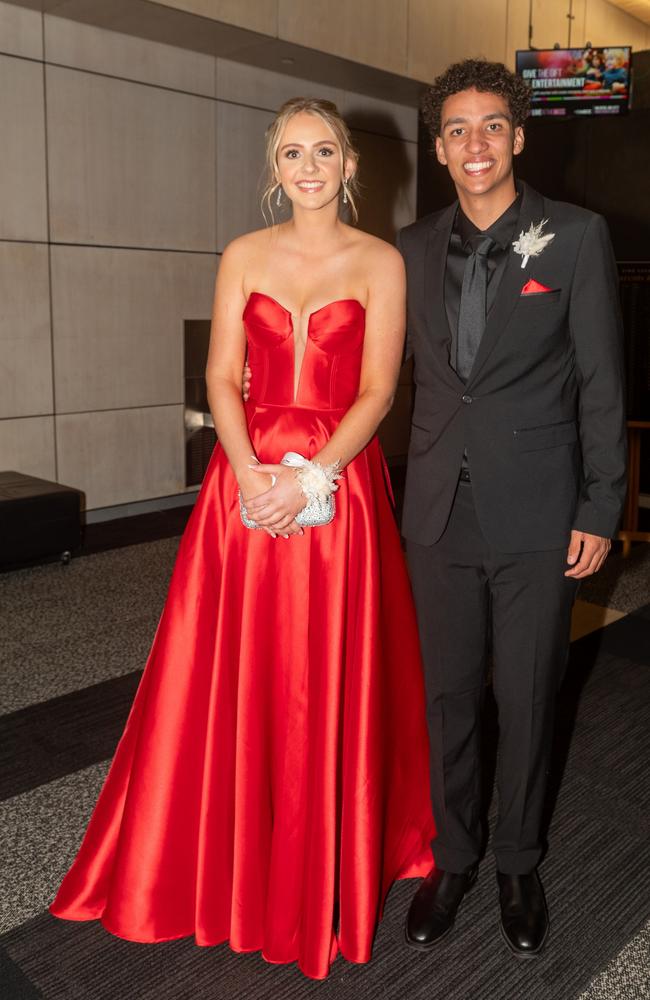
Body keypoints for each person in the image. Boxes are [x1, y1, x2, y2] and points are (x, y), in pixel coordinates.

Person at [49, 97, 435, 981]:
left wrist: (313, 476)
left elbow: (378, 390)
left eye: (324, 150)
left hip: (338, 487)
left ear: (350, 165)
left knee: (324, 673)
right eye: (292, 153)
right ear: (275, 168)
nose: (308, 166)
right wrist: (253, 472)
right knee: (231, 670)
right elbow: (222, 376)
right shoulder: (242, 256)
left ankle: (323, 862)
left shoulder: (381, 260)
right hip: (245, 483)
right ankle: (218, 863)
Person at [399, 59, 626, 958]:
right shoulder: (410, 249)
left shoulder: (574, 237)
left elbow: (604, 383)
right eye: (457, 129)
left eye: (491, 125)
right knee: (448, 697)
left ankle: (517, 862)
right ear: (440, 146)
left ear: (519, 136)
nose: (475, 143)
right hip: (435, 513)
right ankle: (452, 857)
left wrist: (601, 505)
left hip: (539, 510)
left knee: (528, 697)